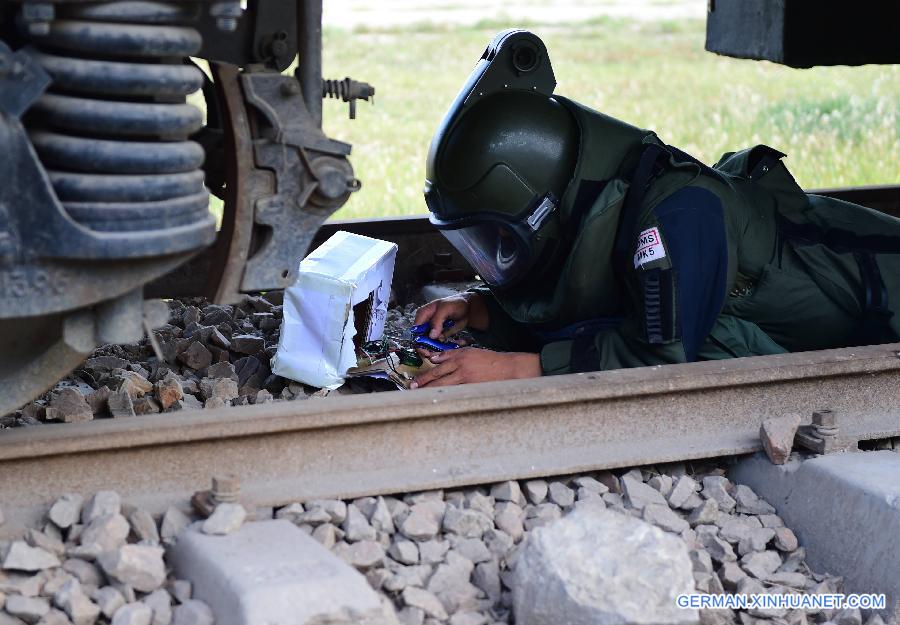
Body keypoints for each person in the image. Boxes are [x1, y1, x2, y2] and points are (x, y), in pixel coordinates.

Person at [411, 30, 900, 389]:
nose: (492, 256)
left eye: (499, 240)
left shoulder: (679, 213)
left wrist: (513, 368)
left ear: (550, 204)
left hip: (881, 301)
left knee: (701, 343)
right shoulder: (598, 206)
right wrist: (481, 312)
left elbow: (661, 358)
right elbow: (587, 296)